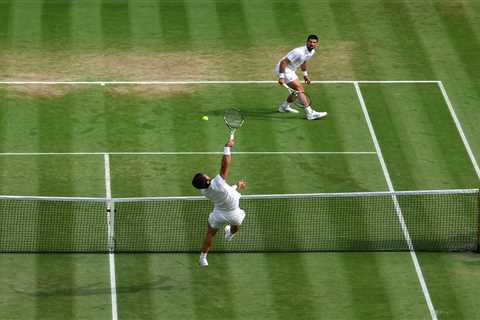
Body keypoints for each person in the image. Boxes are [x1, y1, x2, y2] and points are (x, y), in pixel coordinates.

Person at [192, 137, 247, 267]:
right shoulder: (217, 182)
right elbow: (225, 165)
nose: (206, 175)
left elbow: (225, 192)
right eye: (205, 175)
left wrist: (236, 185)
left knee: (210, 233)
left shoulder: (204, 191)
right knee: (236, 226)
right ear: (207, 180)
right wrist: (227, 147)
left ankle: (203, 258)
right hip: (233, 212)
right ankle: (229, 234)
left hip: (219, 213)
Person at [274, 34, 328, 120]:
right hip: (284, 69)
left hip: (291, 71)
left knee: (297, 91)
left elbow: (303, 62)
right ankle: (310, 113)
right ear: (306, 42)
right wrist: (281, 77)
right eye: (310, 42)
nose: (312, 44)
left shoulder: (312, 52)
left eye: (314, 42)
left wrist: (305, 75)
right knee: (299, 89)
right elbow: (283, 62)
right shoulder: (298, 52)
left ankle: (284, 107)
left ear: (317, 43)